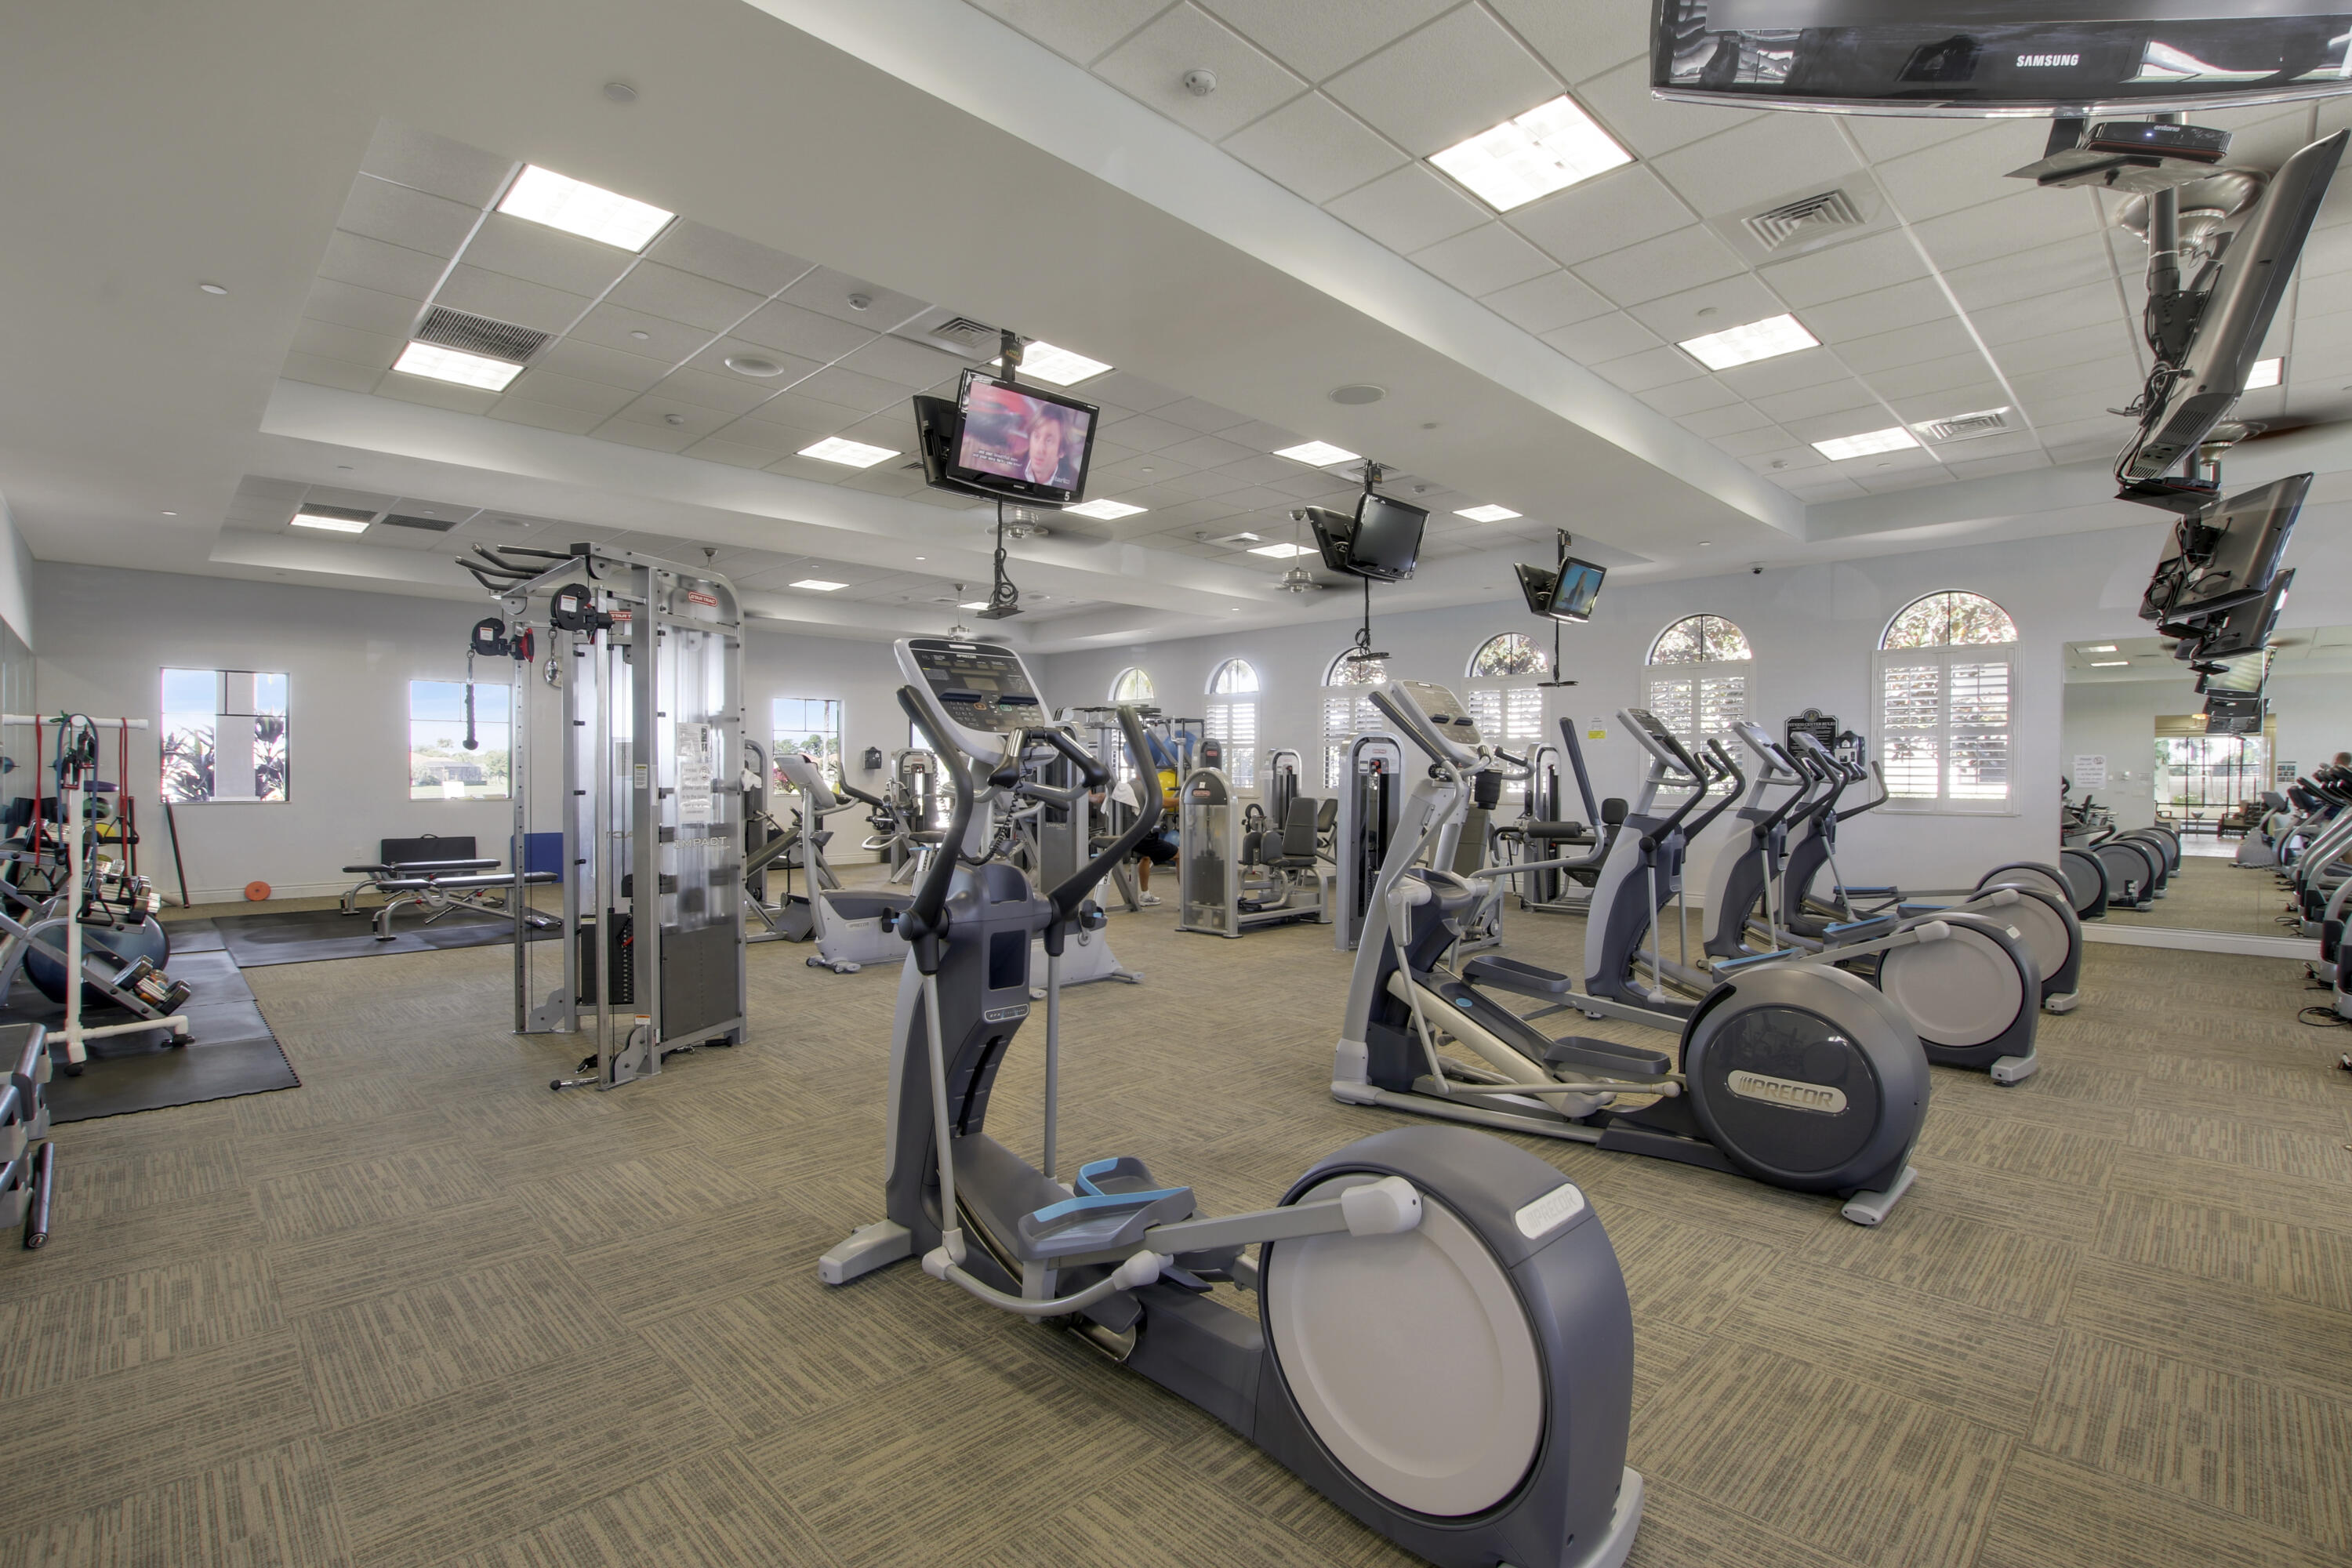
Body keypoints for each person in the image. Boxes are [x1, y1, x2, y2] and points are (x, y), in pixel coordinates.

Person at [1021, 404, 1078, 489]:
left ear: (1062, 451)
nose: (1039, 449)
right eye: (1036, 436)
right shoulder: (1012, 466)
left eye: (1048, 441)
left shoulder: (1073, 482)